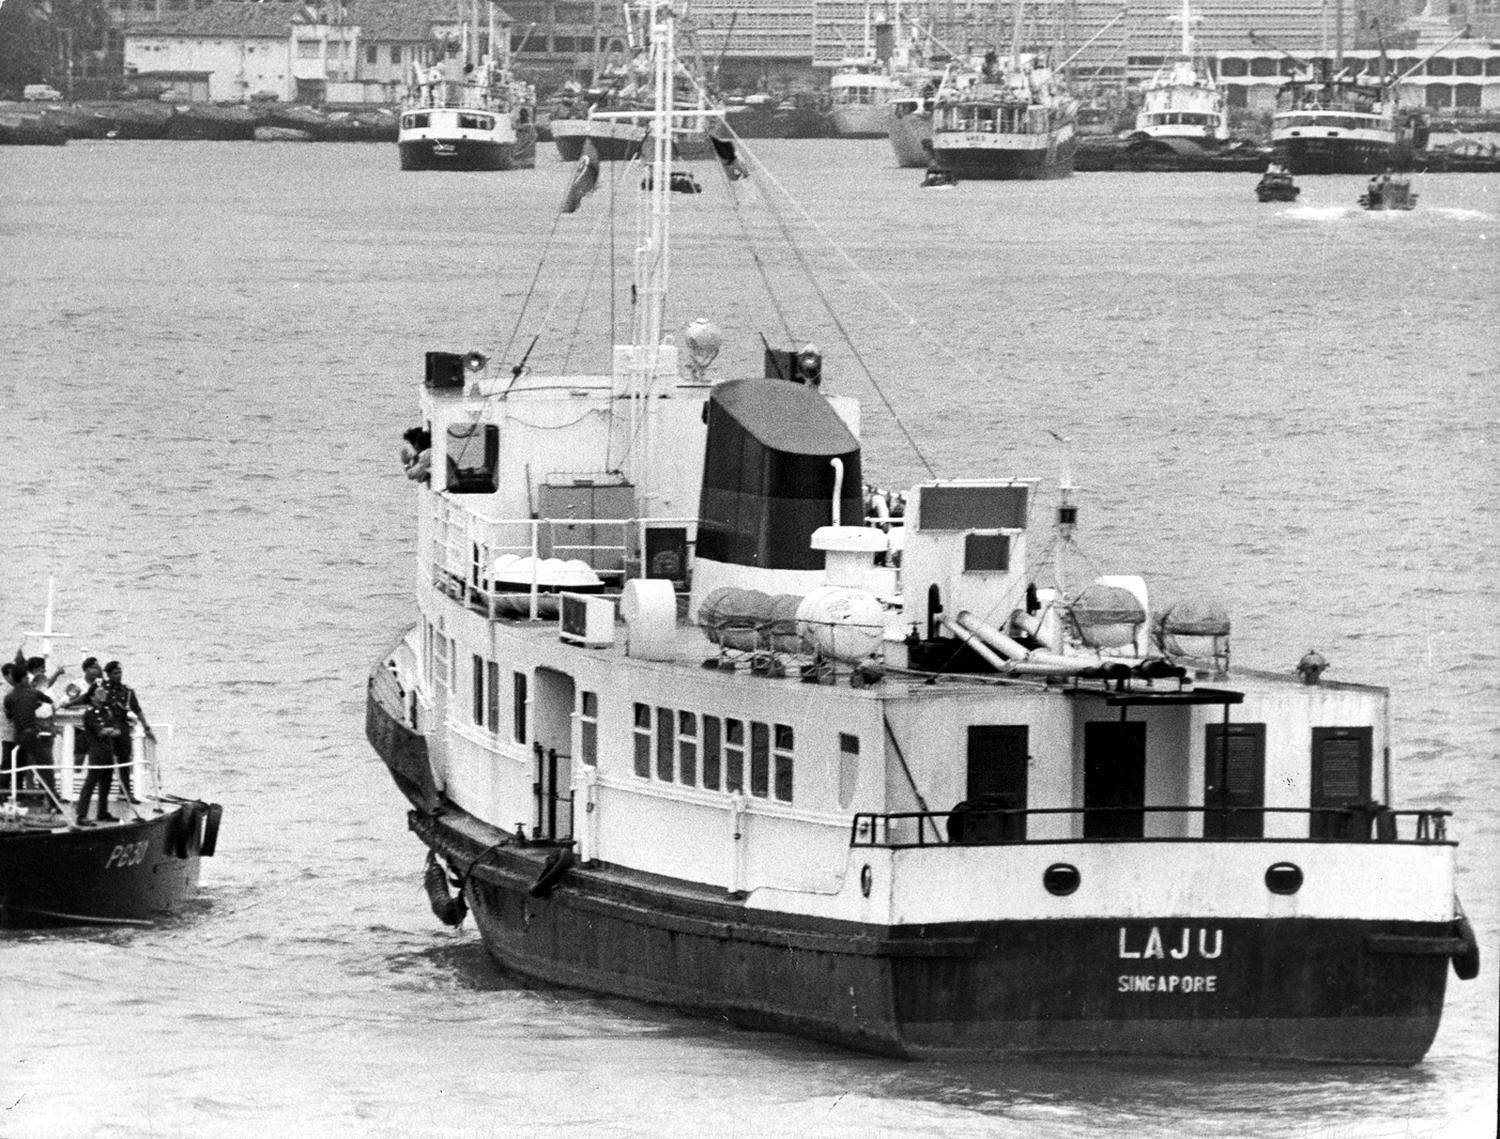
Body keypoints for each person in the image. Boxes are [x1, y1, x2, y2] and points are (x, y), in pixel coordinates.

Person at [4, 661, 58, 801]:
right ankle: (53, 800)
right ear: (23, 678)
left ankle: (11, 797)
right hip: (31, 735)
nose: (29, 680)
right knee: (46, 767)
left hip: (17, 737)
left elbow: (10, 714)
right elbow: (49, 701)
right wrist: (36, 704)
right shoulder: (33, 692)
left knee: (15, 766)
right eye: (27, 678)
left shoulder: (8, 697)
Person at [102, 660, 154, 805]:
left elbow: (137, 710)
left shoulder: (127, 692)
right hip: (106, 726)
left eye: (120, 673)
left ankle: (124, 791)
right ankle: (103, 791)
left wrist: (147, 728)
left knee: (124, 759)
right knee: (106, 759)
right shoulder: (101, 689)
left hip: (122, 726)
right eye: (115, 673)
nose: (118, 676)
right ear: (108, 674)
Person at [75, 683, 120, 826]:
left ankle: (102, 812)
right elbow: (100, 731)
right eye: (99, 692)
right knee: (91, 782)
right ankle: (81, 815)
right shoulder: (89, 713)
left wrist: (110, 730)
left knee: (106, 782)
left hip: (108, 750)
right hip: (96, 751)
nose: (103, 694)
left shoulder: (107, 711)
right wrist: (109, 730)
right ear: (93, 696)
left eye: (103, 692)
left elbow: (116, 729)